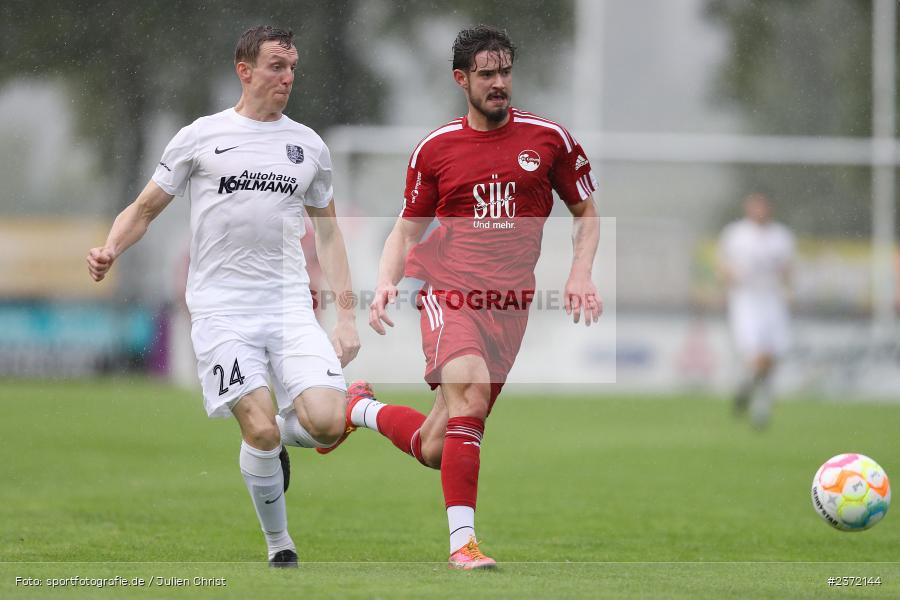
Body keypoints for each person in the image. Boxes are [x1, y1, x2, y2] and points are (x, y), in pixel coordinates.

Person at [320, 25, 602, 569]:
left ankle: (359, 408)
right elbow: (406, 230)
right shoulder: (437, 148)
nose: (500, 84)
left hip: (510, 308)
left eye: (505, 72)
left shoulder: (550, 140)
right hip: (448, 291)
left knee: (436, 446)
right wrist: (386, 281)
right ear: (461, 79)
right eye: (487, 74)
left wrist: (580, 273)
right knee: (469, 397)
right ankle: (463, 546)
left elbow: (586, 214)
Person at [86, 26, 360, 567]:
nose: (287, 77)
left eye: (292, 67)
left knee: (327, 422)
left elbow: (328, 235)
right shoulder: (199, 137)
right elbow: (143, 209)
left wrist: (346, 317)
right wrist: (110, 248)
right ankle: (280, 545)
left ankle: (285, 434)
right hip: (220, 310)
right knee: (257, 428)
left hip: (287, 307)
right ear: (245, 69)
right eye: (276, 65)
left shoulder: (309, 146)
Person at [717, 192, 794, 429]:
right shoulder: (736, 234)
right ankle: (760, 407)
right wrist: (731, 279)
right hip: (746, 300)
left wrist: (788, 289)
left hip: (772, 299)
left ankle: (748, 390)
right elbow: (722, 265)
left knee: (773, 357)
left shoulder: (781, 236)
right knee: (758, 356)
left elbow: (788, 270)